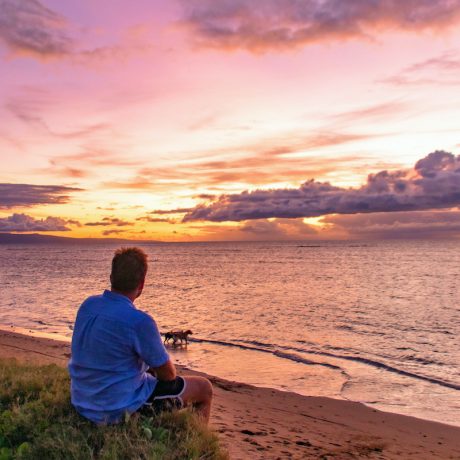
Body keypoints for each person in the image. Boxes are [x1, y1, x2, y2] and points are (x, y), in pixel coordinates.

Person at [68, 247, 212, 425]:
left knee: (147, 372)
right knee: (204, 388)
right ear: (142, 284)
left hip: (83, 401)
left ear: (111, 277)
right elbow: (168, 375)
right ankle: (196, 444)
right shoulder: (139, 322)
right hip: (115, 409)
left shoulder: (88, 305)